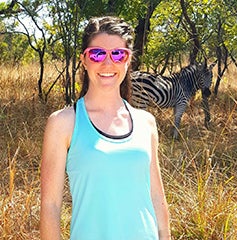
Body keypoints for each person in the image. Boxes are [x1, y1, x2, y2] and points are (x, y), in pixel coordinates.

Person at [40, 16, 171, 240]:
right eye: (97, 54)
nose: (108, 63)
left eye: (119, 54)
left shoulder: (146, 122)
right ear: (84, 59)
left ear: (128, 61)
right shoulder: (63, 123)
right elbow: (51, 205)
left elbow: (157, 196)